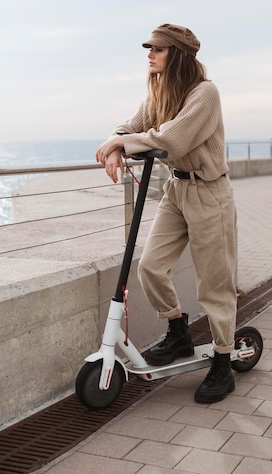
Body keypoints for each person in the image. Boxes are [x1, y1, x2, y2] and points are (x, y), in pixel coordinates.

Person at [96, 23, 238, 403]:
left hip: (210, 193)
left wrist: (120, 143)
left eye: (157, 49)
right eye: (149, 49)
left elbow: (171, 138)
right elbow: (132, 126)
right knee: (150, 267)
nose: (149, 55)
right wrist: (116, 143)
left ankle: (223, 363)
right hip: (176, 189)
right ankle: (179, 332)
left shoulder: (205, 93)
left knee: (215, 285)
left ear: (175, 54)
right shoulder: (159, 92)